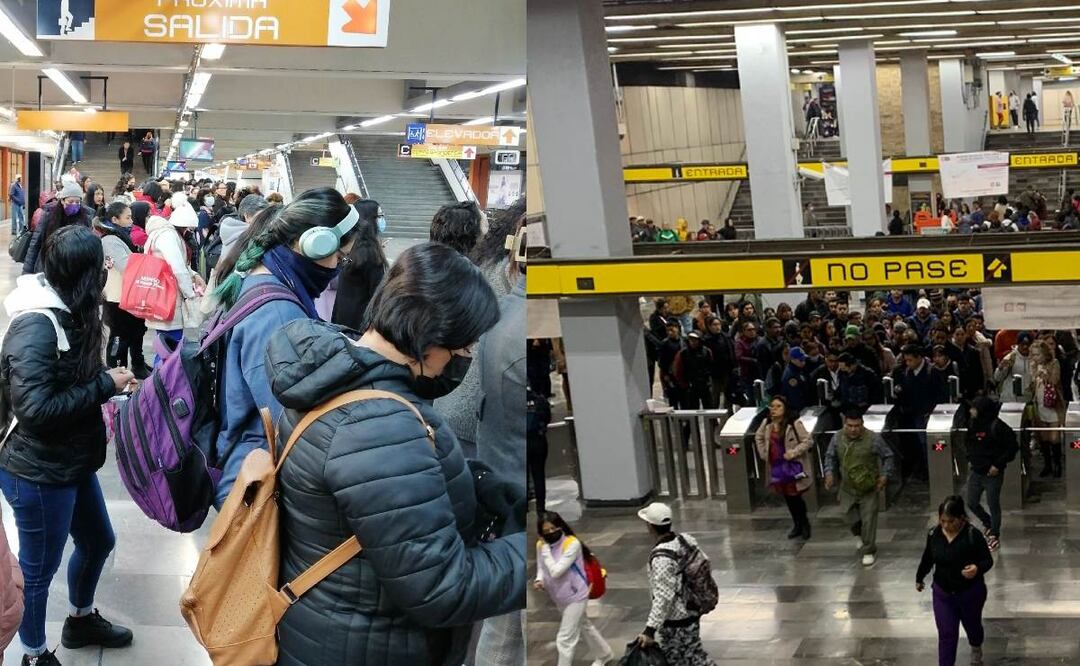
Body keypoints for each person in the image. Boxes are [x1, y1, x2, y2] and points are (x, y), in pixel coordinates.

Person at [264, 242, 525, 665]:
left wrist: (475, 481)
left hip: (325, 626)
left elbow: (377, 495)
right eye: (463, 347)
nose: (464, 358)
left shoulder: (332, 377)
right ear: (429, 337)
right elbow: (441, 589)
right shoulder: (379, 425)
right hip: (370, 645)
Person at [0, 226, 136, 666]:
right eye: (101, 265)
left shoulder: (71, 310)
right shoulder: (36, 325)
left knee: (97, 541)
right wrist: (103, 384)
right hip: (35, 469)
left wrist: (105, 386)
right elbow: (36, 411)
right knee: (38, 572)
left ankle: (79, 620)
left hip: (68, 460)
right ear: (84, 273)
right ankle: (34, 655)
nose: (107, 270)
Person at [208, 187, 359, 507]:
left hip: (248, 462)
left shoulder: (258, 277)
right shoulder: (277, 314)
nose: (338, 266)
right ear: (314, 245)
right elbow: (287, 419)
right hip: (256, 480)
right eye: (339, 255)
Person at [473, 213, 530, 666]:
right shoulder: (520, 328)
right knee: (508, 629)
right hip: (513, 490)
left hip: (497, 471)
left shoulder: (501, 313)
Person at [635, 503, 716, 666]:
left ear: (650, 526)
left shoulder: (661, 558)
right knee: (691, 655)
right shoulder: (685, 540)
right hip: (692, 609)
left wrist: (650, 629)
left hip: (677, 618)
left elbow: (664, 596)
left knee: (685, 659)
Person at [916, 496, 993, 666]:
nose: (946, 526)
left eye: (951, 522)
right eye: (942, 521)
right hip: (943, 593)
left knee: (973, 627)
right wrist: (919, 577)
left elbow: (987, 560)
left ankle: (976, 646)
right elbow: (928, 558)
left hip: (970, 593)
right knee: (946, 634)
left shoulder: (973, 535)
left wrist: (976, 569)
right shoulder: (934, 534)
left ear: (961, 519)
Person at [534, 513, 613, 666]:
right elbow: (541, 567)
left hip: (576, 595)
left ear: (560, 526)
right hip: (558, 595)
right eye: (546, 531)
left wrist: (545, 550)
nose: (550, 533)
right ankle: (605, 654)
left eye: (553, 528)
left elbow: (557, 571)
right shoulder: (541, 544)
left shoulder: (571, 544)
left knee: (565, 638)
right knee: (584, 624)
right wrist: (539, 579)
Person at [824, 409, 897, 567]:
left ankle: (869, 550)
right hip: (847, 488)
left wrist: (884, 475)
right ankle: (858, 535)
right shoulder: (837, 438)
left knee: (869, 520)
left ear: (862, 424)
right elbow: (830, 456)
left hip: (868, 488)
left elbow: (888, 456)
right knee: (850, 517)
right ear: (845, 424)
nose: (853, 429)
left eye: (857, 425)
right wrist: (829, 473)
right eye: (850, 425)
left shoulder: (873, 439)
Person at [95, 201, 150, 379]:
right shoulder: (111, 240)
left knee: (136, 332)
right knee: (120, 337)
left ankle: (137, 365)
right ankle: (117, 371)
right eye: (127, 217)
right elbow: (125, 266)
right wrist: (145, 261)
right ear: (115, 219)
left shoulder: (121, 236)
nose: (131, 221)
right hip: (117, 297)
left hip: (129, 293)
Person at [143, 205, 204, 360]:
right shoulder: (168, 236)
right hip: (168, 297)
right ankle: (163, 382)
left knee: (164, 345)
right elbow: (177, 267)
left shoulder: (163, 233)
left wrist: (194, 274)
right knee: (169, 349)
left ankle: (162, 380)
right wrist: (190, 294)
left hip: (159, 293)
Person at [755, 396, 814, 540]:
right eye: (772, 406)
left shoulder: (794, 423)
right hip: (776, 466)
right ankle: (796, 524)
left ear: (785, 408)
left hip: (792, 466)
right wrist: (764, 453)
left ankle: (804, 523)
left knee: (796, 496)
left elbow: (808, 441)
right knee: (787, 497)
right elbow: (759, 436)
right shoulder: (767, 423)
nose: (774, 410)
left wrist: (793, 453)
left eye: (778, 406)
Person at [964, 397, 1017, 553]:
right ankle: (988, 522)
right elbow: (969, 443)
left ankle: (995, 534)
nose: (971, 411)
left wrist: (998, 465)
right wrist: (970, 458)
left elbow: (1012, 447)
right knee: (971, 502)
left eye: (974, 408)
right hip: (976, 471)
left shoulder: (998, 426)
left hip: (992, 473)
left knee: (993, 504)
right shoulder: (973, 424)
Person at [331, 199, 386, 330]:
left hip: (341, 318)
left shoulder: (351, 248)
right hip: (360, 324)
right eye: (380, 216)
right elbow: (377, 294)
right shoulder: (370, 253)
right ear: (370, 219)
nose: (382, 220)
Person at [21, 182, 95, 275]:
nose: (75, 205)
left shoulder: (86, 217)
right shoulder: (49, 215)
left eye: (78, 202)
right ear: (62, 201)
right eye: (71, 201)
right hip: (48, 267)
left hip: (74, 270)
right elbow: (35, 244)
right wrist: (26, 272)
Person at [1031, 340, 1066, 478]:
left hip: (1053, 405)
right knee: (1044, 437)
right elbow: (1031, 384)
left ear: (1044, 353)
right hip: (1039, 404)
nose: (1035, 357)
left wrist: (1045, 375)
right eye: (1033, 354)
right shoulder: (1033, 365)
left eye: (1037, 354)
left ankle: (1058, 464)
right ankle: (1048, 465)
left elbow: (1055, 381)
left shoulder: (1054, 363)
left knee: (1054, 437)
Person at [993, 331, 1033, 402]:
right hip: (1010, 399)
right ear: (1018, 344)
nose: (1025, 347)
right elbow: (997, 378)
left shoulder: (1034, 359)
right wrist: (1001, 368)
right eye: (1022, 344)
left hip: (1028, 400)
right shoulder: (1011, 357)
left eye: (1027, 344)